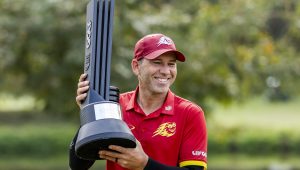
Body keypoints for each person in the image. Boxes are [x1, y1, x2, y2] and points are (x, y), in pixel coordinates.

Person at [69, 33, 207, 170]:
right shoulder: (114, 107)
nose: (166, 71)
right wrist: (88, 110)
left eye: (171, 64)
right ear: (136, 66)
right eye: (157, 62)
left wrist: (145, 165)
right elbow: (77, 165)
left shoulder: (190, 113)